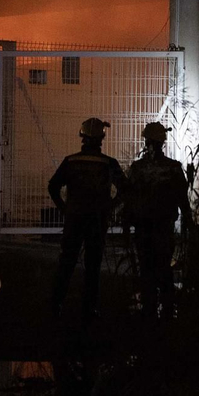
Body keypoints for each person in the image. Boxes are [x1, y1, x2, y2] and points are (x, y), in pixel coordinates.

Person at [49, 117, 127, 320]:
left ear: (82, 136)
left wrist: (64, 208)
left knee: (66, 262)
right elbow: (125, 189)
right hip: (97, 220)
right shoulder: (109, 164)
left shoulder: (71, 161)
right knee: (93, 264)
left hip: (74, 219)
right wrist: (110, 206)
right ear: (102, 137)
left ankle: (56, 304)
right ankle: (89, 308)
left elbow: (53, 186)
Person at [125, 120, 191, 318]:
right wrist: (189, 224)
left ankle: (149, 309)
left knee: (146, 268)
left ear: (146, 142)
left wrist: (126, 225)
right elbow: (183, 199)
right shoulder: (173, 168)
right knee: (163, 267)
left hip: (144, 227)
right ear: (163, 142)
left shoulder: (138, 168)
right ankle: (167, 309)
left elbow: (129, 198)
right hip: (163, 227)